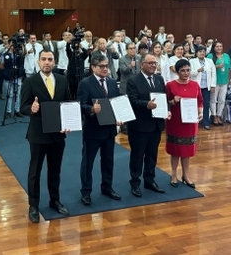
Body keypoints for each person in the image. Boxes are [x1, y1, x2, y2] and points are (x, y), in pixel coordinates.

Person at [20, 50, 71, 223]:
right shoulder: (30, 81)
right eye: (43, 59)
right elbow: (23, 107)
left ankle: (54, 200)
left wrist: (68, 123)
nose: (47, 62)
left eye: (50, 59)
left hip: (58, 134)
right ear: (38, 62)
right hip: (38, 134)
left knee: (55, 170)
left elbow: (67, 104)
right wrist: (31, 109)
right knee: (35, 171)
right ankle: (33, 205)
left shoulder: (63, 80)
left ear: (54, 62)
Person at [77, 55, 122, 206]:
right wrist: (91, 109)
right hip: (93, 130)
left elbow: (116, 103)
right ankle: (86, 191)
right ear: (93, 67)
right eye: (101, 66)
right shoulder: (85, 83)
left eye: (106, 66)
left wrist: (120, 117)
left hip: (110, 129)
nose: (105, 68)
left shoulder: (111, 82)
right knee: (88, 162)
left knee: (108, 160)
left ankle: (107, 187)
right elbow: (80, 105)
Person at [126, 53, 168, 197]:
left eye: (154, 63)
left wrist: (166, 111)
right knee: (137, 156)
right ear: (141, 64)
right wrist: (146, 105)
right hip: (139, 125)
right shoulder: (133, 81)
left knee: (152, 154)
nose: (152, 65)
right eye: (149, 63)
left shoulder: (159, 79)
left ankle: (149, 180)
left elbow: (163, 99)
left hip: (156, 124)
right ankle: (135, 182)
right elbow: (131, 101)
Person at [166, 59, 202, 188]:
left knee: (187, 150)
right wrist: (172, 101)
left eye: (188, 70)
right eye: (182, 71)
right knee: (175, 149)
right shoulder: (170, 85)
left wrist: (200, 112)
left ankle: (186, 175)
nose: (186, 73)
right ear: (177, 71)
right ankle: (174, 174)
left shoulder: (195, 85)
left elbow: (200, 101)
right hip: (176, 121)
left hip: (191, 122)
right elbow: (165, 103)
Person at [189, 47, 216, 130]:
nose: (202, 53)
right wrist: (197, 70)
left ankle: (205, 123)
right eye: (200, 51)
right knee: (195, 104)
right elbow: (190, 74)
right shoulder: (192, 61)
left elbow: (213, 73)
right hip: (196, 86)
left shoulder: (209, 61)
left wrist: (213, 85)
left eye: (203, 51)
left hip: (206, 87)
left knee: (206, 104)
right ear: (196, 53)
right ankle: (194, 122)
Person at [207, 41, 231, 125]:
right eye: (217, 46)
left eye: (220, 46)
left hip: (224, 81)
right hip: (215, 82)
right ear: (213, 48)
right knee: (213, 99)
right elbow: (208, 68)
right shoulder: (210, 56)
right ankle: (214, 116)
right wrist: (216, 66)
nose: (219, 48)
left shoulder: (226, 56)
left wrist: (229, 80)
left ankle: (219, 115)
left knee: (222, 100)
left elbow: (229, 68)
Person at [0, 41, 25, 118]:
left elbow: (24, 54)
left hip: (18, 76)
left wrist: (23, 45)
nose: (13, 46)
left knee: (17, 94)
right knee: (10, 94)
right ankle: (8, 111)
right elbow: (1, 66)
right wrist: (8, 71)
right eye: (12, 44)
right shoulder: (4, 55)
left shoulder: (19, 54)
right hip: (8, 77)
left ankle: (17, 110)